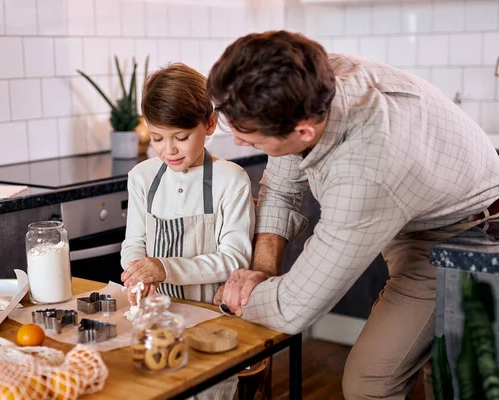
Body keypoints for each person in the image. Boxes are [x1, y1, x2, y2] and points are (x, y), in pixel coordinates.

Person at [207, 30, 499, 399]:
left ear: (303, 130)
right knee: (437, 366)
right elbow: (280, 188)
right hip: (419, 205)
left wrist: (234, 297)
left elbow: (293, 309)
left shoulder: (366, 170)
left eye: (250, 135)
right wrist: (262, 271)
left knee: (369, 384)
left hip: (461, 233)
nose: (237, 142)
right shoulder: (315, 79)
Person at [119, 62, 255, 312]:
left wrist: (164, 268)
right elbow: (134, 243)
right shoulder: (141, 176)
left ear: (209, 124)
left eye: (181, 138)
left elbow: (235, 259)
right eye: (157, 138)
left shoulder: (231, 180)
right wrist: (138, 270)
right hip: (156, 313)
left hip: (210, 314)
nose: (168, 149)